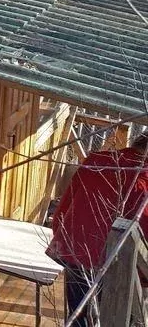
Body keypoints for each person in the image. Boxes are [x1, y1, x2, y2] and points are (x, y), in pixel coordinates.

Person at [47, 133, 148, 327]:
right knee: (113, 319)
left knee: (79, 316)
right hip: (117, 265)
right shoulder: (142, 182)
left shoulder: (97, 161)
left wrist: (64, 244)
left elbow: (64, 208)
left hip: (77, 251)